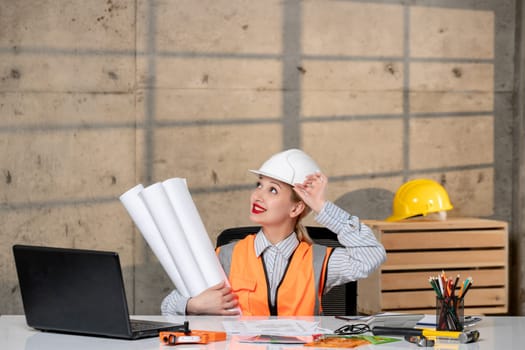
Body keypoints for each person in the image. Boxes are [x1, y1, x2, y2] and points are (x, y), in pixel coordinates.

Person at [161, 148, 386, 316]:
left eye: (272, 190)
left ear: (296, 207)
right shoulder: (227, 255)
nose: (258, 196)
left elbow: (371, 254)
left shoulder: (318, 260)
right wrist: (193, 305)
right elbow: (168, 307)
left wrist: (321, 207)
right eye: (259, 185)